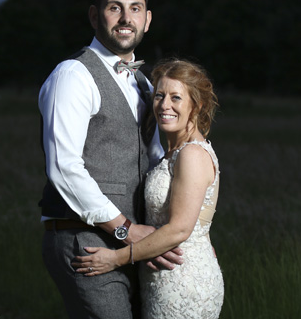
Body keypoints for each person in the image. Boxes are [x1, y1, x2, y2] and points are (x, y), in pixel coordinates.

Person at [39, 0, 182, 319]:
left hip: (135, 245)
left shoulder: (147, 86)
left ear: (147, 20)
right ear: (94, 15)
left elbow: (156, 164)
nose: (125, 18)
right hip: (84, 239)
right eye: (114, 7)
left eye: (135, 9)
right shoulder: (73, 76)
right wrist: (125, 228)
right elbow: (64, 168)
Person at [72, 58, 224, 319]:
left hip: (183, 280)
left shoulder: (192, 155)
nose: (164, 105)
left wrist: (115, 258)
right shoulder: (172, 152)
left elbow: (180, 228)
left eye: (176, 98)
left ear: (196, 105)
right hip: (163, 277)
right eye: (159, 96)